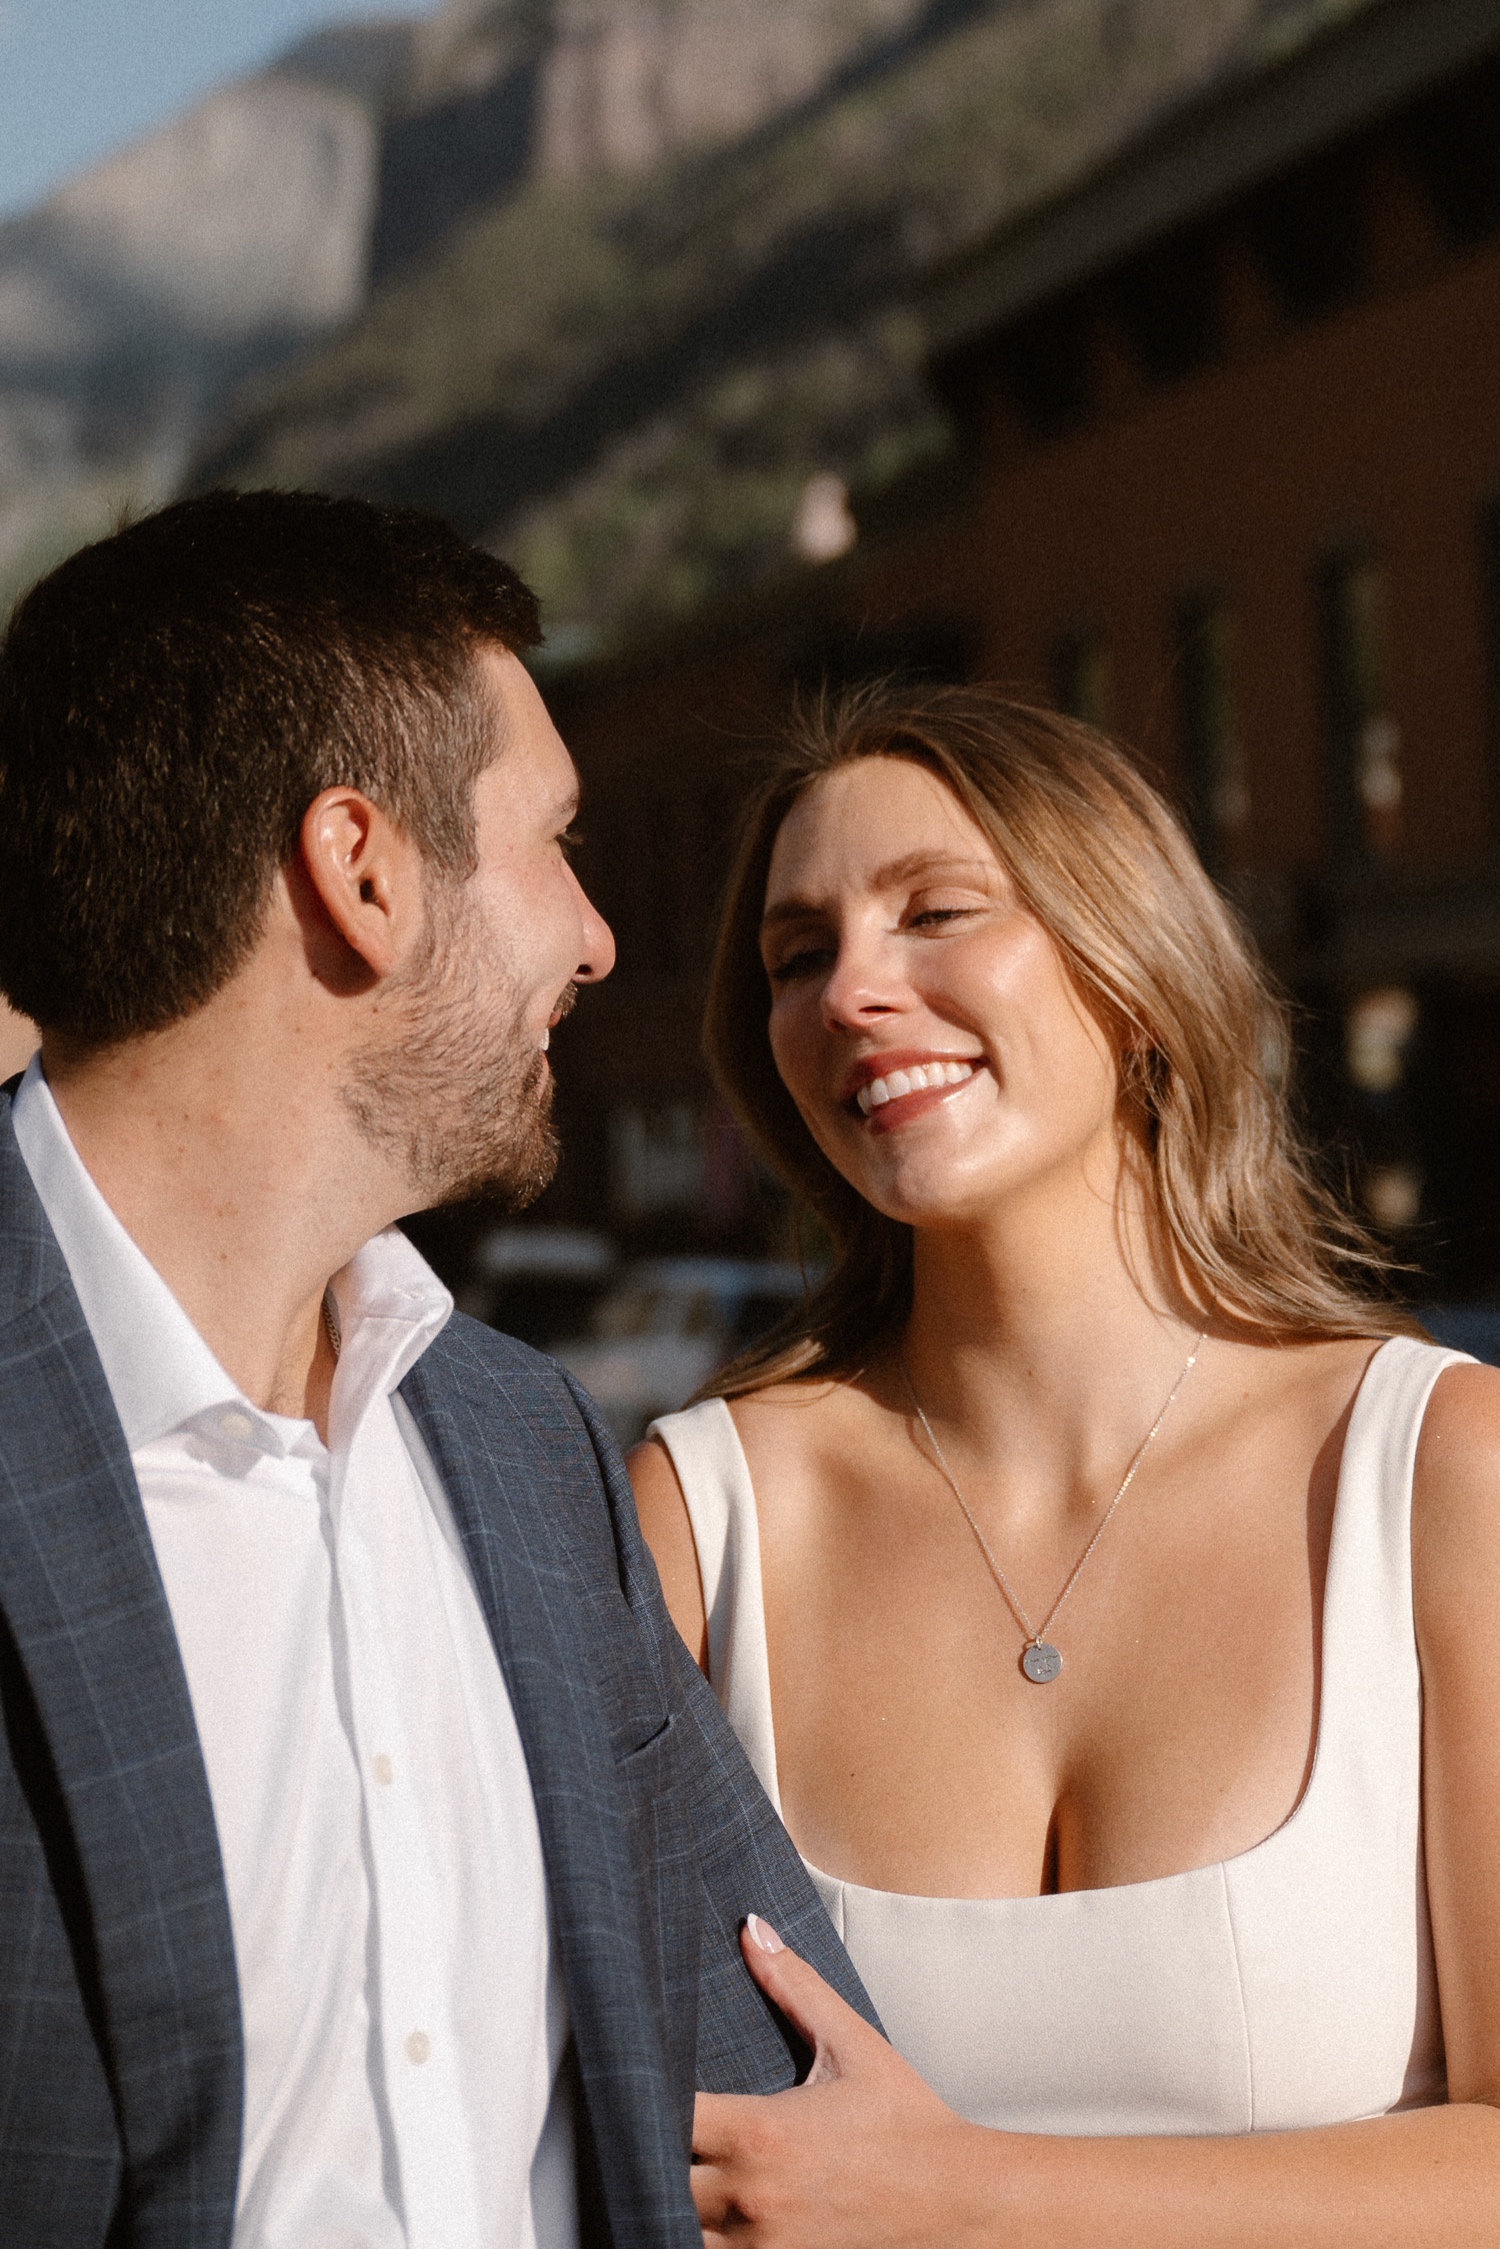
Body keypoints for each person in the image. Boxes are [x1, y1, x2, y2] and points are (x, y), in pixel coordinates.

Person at [0, 489, 876, 2249]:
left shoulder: (524, 1446)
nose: (598, 935)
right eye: (553, 841)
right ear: (364, 870)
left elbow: (796, 2089)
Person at [631, 687, 1500, 2243]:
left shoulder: (1438, 1471)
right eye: (797, 955)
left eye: (935, 912)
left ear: (1137, 972)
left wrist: (964, 2190)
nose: (854, 992)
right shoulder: (700, 1518)